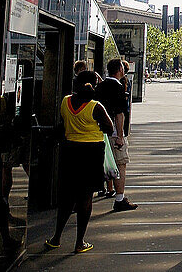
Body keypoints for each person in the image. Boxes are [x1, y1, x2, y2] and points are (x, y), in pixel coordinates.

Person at [46, 71, 115, 254]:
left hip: (70, 151)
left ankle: (56, 238)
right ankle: (79, 242)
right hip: (91, 153)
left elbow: (63, 123)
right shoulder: (95, 106)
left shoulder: (65, 101)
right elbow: (109, 128)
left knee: (68, 197)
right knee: (85, 198)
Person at [96, 59, 137, 211]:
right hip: (114, 133)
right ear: (120, 69)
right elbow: (119, 114)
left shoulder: (100, 86)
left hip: (99, 132)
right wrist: (120, 135)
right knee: (121, 164)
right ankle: (119, 199)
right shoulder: (118, 88)